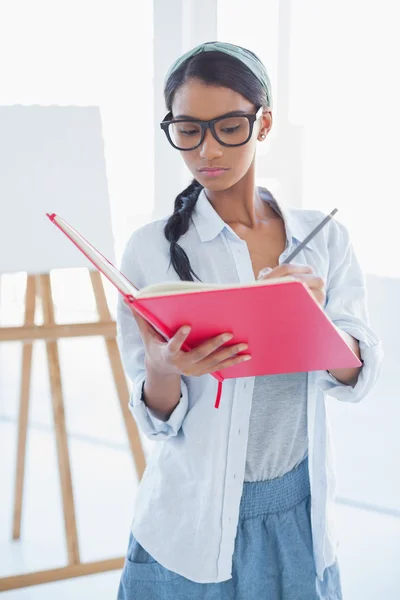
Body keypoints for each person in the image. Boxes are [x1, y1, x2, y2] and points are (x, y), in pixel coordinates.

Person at [116, 41, 383, 600]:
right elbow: (157, 420)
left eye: (228, 126)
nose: (206, 150)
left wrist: (315, 321)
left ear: (263, 123)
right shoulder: (149, 249)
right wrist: (164, 366)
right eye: (188, 130)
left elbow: (359, 378)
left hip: (297, 515)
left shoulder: (324, 239)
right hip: (186, 524)